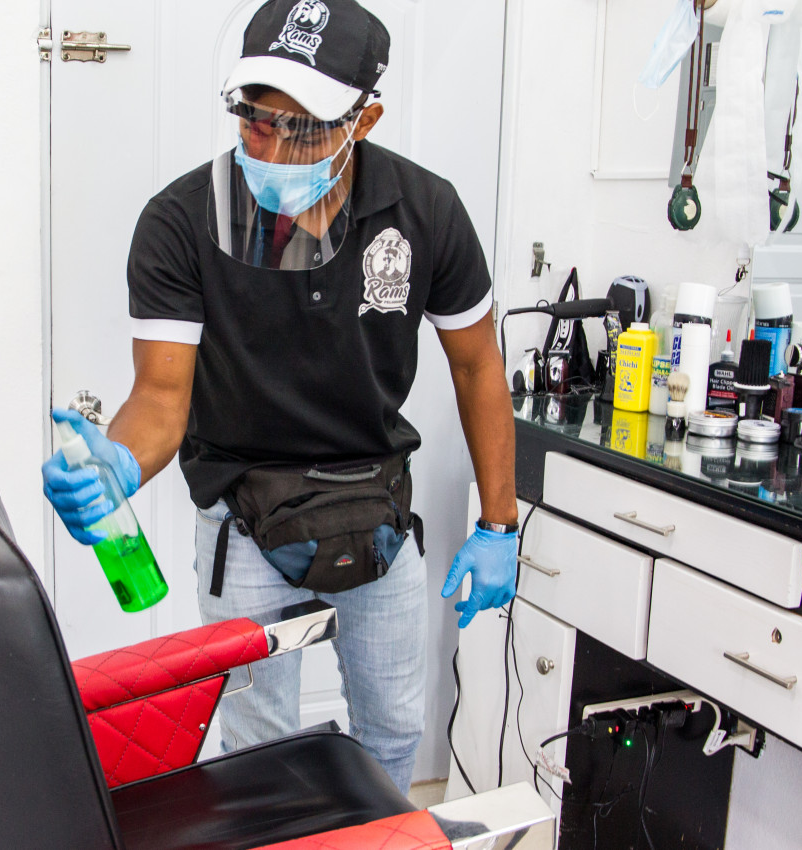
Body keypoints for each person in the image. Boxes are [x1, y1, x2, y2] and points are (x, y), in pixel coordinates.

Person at [42, 0, 517, 793]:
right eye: (255, 119)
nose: (270, 146)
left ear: (364, 120)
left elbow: (477, 366)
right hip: (245, 517)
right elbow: (161, 396)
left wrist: (500, 523)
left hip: (377, 509)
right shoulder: (181, 222)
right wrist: (118, 461)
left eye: (301, 129)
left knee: (395, 732)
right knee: (259, 751)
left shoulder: (424, 210)